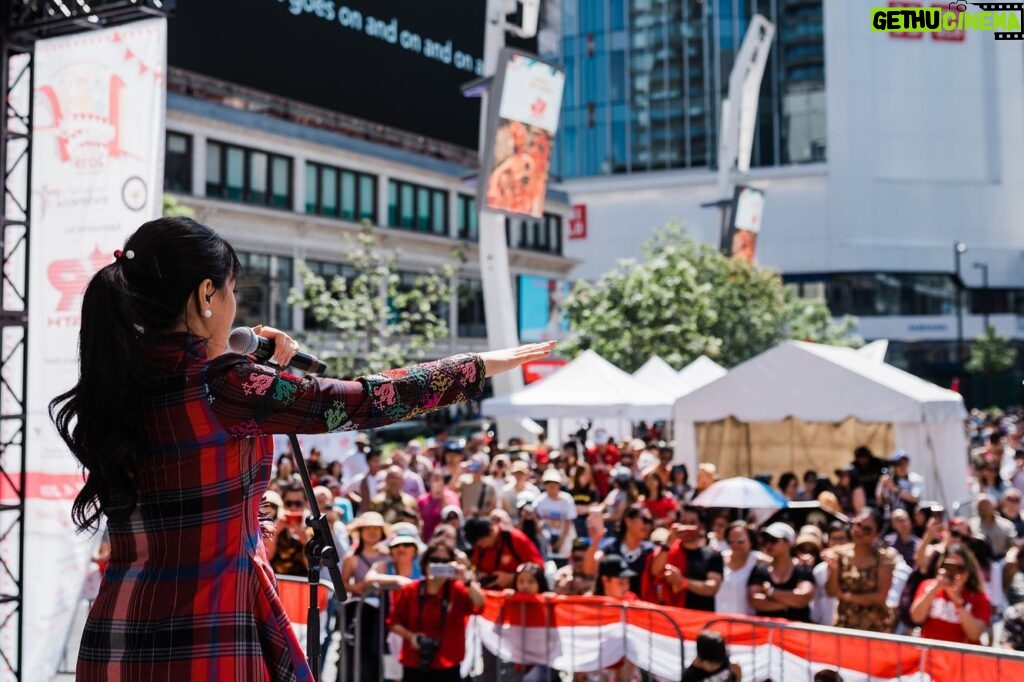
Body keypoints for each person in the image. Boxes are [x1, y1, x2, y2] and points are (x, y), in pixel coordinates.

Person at [52, 217, 555, 681]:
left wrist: (244, 359)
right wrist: (476, 366)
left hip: (116, 635)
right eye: (231, 292)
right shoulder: (225, 386)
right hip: (205, 633)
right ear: (206, 294)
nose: (234, 307)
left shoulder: (116, 384)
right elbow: (360, 402)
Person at [388, 539, 484, 682]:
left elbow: (479, 604)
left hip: (448, 664)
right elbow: (393, 622)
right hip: (415, 662)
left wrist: (467, 579)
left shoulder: (457, 590)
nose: (439, 564)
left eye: (444, 561)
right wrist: (411, 636)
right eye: (434, 560)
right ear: (425, 563)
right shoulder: (410, 590)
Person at [826, 509, 897, 632]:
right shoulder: (838, 554)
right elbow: (831, 592)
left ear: (876, 534)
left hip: (874, 629)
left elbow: (880, 597)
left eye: (867, 529)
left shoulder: (884, 559)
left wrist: (846, 596)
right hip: (844, 625)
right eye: (858, 525)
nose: (859, 531)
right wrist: (833, 570)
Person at [910, 543, 991, 644]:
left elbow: (974, 634)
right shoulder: (928, 586)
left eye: (959, 568)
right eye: (948, 566)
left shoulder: (979, 598)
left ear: (968, 572)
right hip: (931, 655)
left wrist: (957, 601)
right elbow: (916, 618)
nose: (954, 572)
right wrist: (935, 589)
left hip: (960, 657)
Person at [653, 506, 724, 611]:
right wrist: (668, 542)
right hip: (672, 617)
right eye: (684, 522)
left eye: (692, 523)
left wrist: (682, 582)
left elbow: (712, 588)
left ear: (701, 526)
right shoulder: (669, 549)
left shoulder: (712, 555)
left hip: (700, 619)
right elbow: (655, 571)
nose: (686, 527)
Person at [585, 503, 657, 598]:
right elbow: (589, 569)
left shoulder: (651, 551)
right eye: (645, 520)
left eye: (650, 522)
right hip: (608, 608)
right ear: (628, 521)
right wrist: (596, 540)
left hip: (637, 609)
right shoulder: (610, 548)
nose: (648, 525)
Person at [748, 522, 815, 622]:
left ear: (788, 542)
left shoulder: (802, 569)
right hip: (767, 633)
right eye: (765, 540)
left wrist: (770, 592)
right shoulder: (760, 569)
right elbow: (754, 601)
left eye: (773, 540)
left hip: (796, 634)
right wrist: (789, 603)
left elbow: (803, 597)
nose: (768, 544)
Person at [466, 516, 544, 589]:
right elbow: (474, 566)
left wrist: (513, 577)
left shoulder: (515, 538)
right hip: (489, 593)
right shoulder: (479, 545)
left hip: (515, 594)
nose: (482, 546)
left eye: (482, 542)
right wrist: (479, 574)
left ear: (492, 530)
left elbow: (539, 568)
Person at [533, 468, 577, 561]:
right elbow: (537, 521)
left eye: (555, 483)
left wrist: (560, 541)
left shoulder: (567, 499)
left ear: (559, 485)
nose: (552, 486)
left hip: (565, 535)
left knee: (565, 556)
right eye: (548, 483)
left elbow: (569, 522)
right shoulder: (539, 501)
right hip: (546, 535)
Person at [716, 521, 758, 616]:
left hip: (749, 624)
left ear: (750, 540)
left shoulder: (758, 560)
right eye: (731, 541)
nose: (735, 545)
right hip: (720, 622)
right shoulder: (718, 559)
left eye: (740, 541)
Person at [418, 469, 461, 541]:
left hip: (447, 540)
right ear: (429, 481)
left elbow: (455, 519)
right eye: (434, 478)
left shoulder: (452, 497)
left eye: (438, 478)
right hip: (427, 540)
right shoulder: (422, 500)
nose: (437, 481)